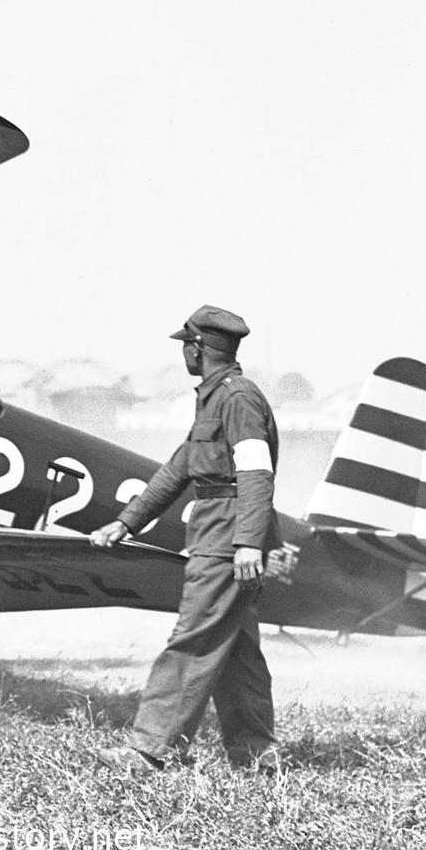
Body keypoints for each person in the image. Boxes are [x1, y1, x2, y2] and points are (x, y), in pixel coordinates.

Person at [90, 305, 280, 772]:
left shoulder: (237, 400)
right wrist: (127, 522)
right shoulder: (215, 399)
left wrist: (248, 542)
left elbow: (256, 472)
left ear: (200, 348)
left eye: (185, 345)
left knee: (193, 638)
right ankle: (256, 754)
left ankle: (151, 750)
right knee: (235, 649)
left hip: (227, 534)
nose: (183, 354)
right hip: (223, 528)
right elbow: (177, 470)